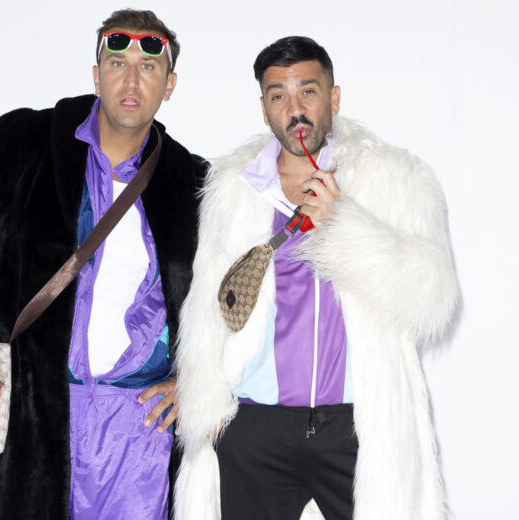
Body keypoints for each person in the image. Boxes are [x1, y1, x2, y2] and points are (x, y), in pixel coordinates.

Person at [0, 9, 206, 520]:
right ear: (96, 75)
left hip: (141, 432)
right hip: (36, 412)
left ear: (170, 85)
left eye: (148, 67)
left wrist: (202, 383)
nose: (131, 80)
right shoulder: (26, 141)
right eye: (117, 64)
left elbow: (229, 303)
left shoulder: (193, 182)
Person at [174, 36, 459, 520]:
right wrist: (207, 404)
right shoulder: (234, 189)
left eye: (308, 91)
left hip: (356, 427)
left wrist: (344, 223)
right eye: (278, 96)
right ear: (264, 109)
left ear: (334, 97)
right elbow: (208, 306)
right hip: (254, 426)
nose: (295, 109)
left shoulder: (393, 179)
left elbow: (432, 294)